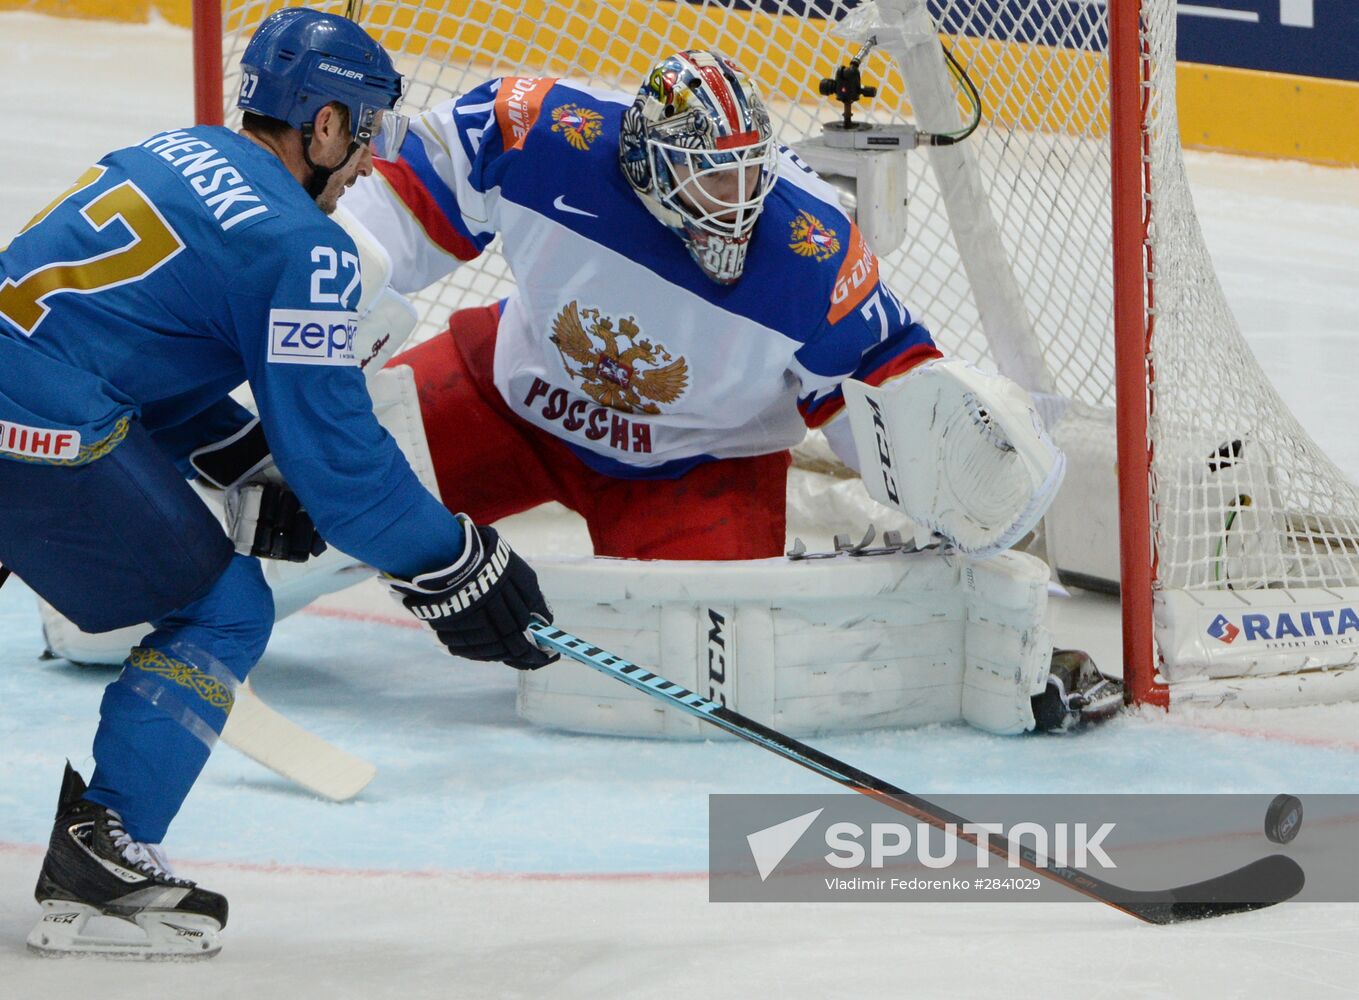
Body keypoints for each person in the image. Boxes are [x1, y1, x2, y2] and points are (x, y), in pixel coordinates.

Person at [0, 7, 553, 960]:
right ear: (324, 124)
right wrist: (453, 561)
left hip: (31, 382)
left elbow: (124, 342)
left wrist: (234, 455)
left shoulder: (171, 150)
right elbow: (341, 468)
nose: (369, 162)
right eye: (364, 131)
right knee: (224, 610)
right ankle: (100, 864)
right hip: (42, 425)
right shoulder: (306, 248)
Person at [341, 49, 943, 561]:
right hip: (514, 396)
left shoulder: (811, 247)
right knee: (324, 487)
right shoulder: (543, 131)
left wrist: (949, 476)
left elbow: (879, 380)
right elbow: (403, 200)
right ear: (650, 167)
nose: (739, 207)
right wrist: (324, 299)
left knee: (684, 686)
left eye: (751, 175)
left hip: (702, 463)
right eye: (714, 180)